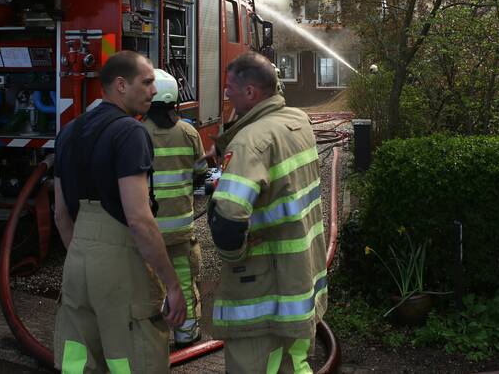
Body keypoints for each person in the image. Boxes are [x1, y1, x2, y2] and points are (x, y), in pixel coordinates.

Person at [53, 51, 186, 374]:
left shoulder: (68, 132)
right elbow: (139, 219)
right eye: (148, 82)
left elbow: (60, 213)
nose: (154, 92)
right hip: (117, 259)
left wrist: (84, 255)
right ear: (121, 85)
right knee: (134, 354)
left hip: (78, 259)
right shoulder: (130, 132)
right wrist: (172, 284)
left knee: (80, 357)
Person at [208, 52, 328, 373]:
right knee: (294, 363)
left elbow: (228, 218)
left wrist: (234, 257)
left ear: (250, 93)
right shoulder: (298, 121)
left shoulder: (251, 141)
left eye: (230, 87)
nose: (226, 94)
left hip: (262, 287)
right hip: (300, 278)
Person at [142, 69, 209, 347]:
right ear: (175, 101)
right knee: (183, 280)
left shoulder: (137, 132)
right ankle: (187, 334)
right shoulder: (189, 132)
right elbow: (201, 174)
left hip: (147, 230)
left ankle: (151, 341)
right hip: (181, 228)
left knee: (148, 286)